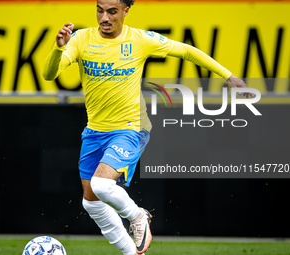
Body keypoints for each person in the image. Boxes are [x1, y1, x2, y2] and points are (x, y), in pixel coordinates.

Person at [42, 0, 252, 254]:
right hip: (95, 130)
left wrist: (228, 75)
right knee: (92, 202)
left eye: (112, 11)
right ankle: (132, 253)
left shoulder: (140, 39)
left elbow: (186, 50)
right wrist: (58, 48)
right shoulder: (81, 39)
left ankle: (138, 215)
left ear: (125, 11)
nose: (104, 18)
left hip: (131, 127)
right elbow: (49, 74)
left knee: (101, 186)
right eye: (100, 10)